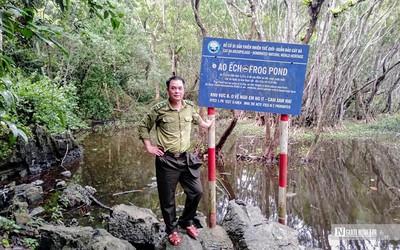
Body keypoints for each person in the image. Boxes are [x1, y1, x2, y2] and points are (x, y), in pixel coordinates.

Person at [138, 75, 213, 246]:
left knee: (197, 192)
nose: (177, 91)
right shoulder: (159, 110)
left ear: (183, 90)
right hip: (166, 161)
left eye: (180, 88)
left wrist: (207, 124)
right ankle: (171, 229)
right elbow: (143, 126)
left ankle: (186, 222)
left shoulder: (189, 108)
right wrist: (149, 147)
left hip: (186, 158)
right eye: (173, 88)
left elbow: (198, 121)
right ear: (168, 90)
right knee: (167, 198)